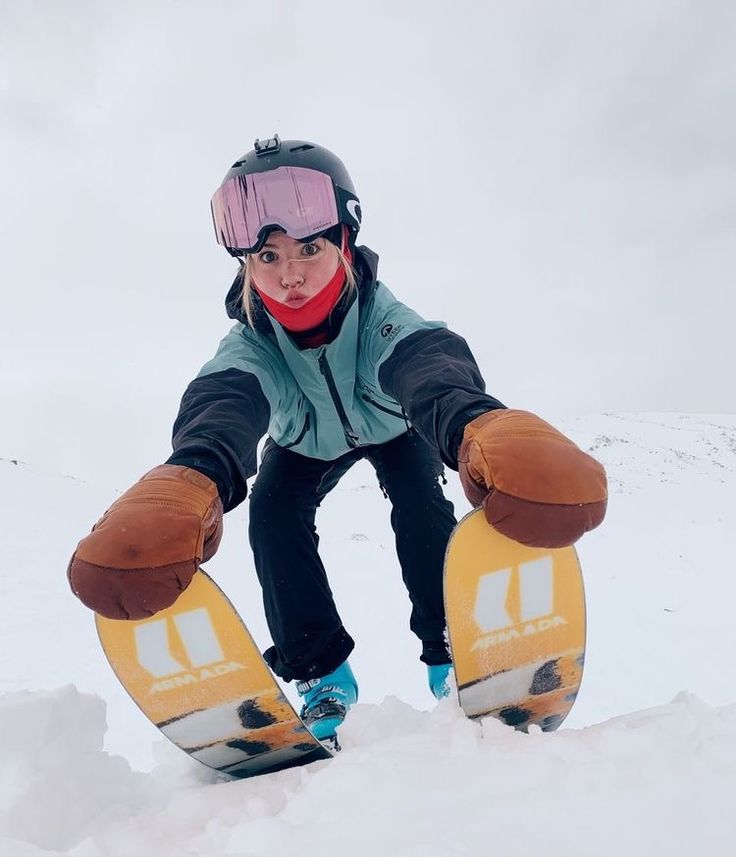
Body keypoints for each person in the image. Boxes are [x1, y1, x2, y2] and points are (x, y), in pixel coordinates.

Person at [68, 135, 607, 744]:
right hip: (305, 444)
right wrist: (189, 475)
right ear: (245, 265)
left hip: (392, 427)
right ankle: (321, 672)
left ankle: (449, 648)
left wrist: (476, 422)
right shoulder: (254, 342)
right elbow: (225, 401)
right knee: (273, 514)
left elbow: (428, 364)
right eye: (267, 258)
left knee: (419, 500)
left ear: (344, 244)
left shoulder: (378, 317)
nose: (290, 275)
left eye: (309, 248)